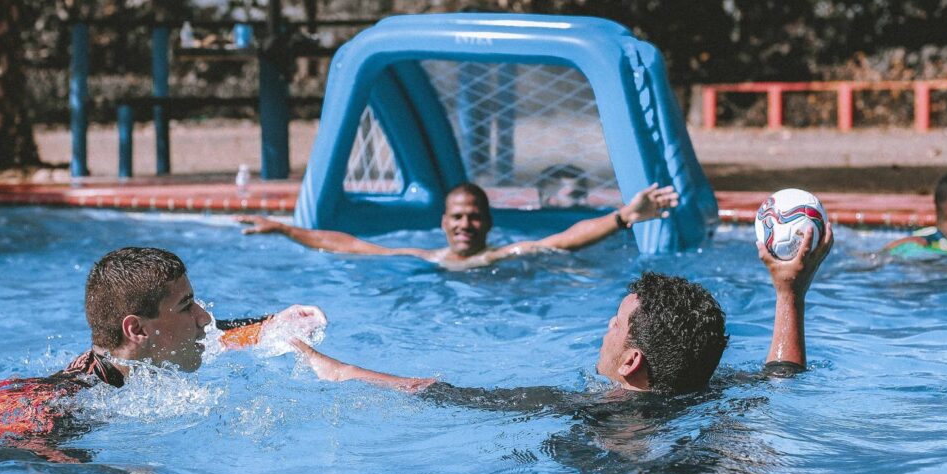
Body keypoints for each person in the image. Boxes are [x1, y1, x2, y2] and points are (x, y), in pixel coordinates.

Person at [292, 224, 834, 398]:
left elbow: (444, 393)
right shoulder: (712, 390)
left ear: (631, 362)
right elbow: (782, 376)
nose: (606, 326)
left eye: (616, 323)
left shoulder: (592, 413)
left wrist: (339, 368)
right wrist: (790, 291)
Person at [0, 247, 321, 458]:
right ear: (136, 329)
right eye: (185, 306)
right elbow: (27, 451)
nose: (205, 317)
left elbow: (218, 335)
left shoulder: (141, 356)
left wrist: (272, 322)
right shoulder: (77, 397)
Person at [238, 182, 679, 269]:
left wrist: (625, 216)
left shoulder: (506, 255)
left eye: (473, 216)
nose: (465, 223)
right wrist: (283, 228)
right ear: (443, 223)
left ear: (487, 223)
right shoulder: (425, 257)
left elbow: (562, 240)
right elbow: (349, 245)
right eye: (457, 216)